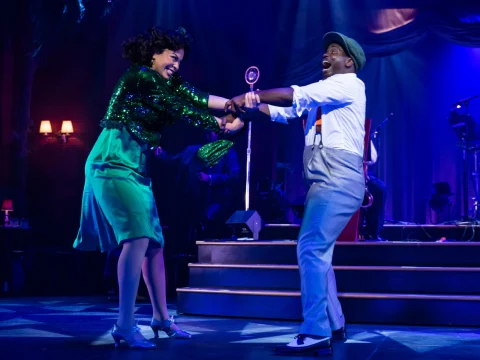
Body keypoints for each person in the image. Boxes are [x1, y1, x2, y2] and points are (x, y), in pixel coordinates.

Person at [73, 26, 243, 349]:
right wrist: (220, 123)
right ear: (154, 54)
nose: (177, 64)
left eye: (180, 60)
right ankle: (124, 325)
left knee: (154, 244)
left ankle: (161, 318)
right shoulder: (140, 77)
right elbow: (178, 108)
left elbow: (196, 97)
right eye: (172, 57)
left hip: (136, 166)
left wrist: (235, 105)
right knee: (137, 237)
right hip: (112, 160)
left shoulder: (167, 82)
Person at [227, 32, 366, 355]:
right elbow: (282, 112)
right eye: (325, 51)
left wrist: (249, 95)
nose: (325, 56)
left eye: (333, 51)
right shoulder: (323, 95)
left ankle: (315, 330)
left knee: (310, 247)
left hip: (338, 178)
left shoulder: (349, 84)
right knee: (319, 253)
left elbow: (292, 95)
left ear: (349, 62)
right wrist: (250, 103)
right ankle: (335, 323)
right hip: (322, 179)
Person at [363, 140, 387, 241]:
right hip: (337, 173)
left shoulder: (363, 132)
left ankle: (373, 232)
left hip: (359, 172)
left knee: (379, 188)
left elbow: (373, 158)